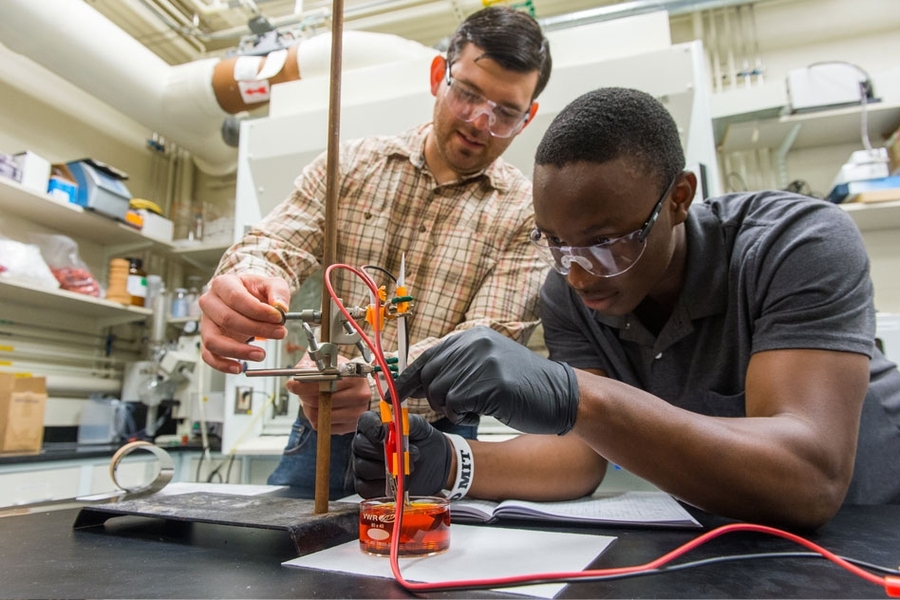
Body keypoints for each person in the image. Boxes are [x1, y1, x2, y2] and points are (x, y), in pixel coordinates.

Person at [351, 87, 900, 529]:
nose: (578, 272)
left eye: (607, 242)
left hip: (869, 524)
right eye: (555, 243)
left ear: (679, 198)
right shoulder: (569, 291)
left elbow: (808, 477)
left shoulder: (797, 244)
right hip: (737, 533)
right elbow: (578, 458)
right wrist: (448, 462)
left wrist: (574, 394)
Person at [199, 6, 552, 499]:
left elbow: (488, 340)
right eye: (468, 94)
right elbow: (274, 243)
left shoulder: (527, 214)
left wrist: (380, 382)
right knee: (278, 562)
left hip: (437, 444)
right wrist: (247, 280)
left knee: (429, 567)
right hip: (322, 427)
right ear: (439, 76)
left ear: (528, 116)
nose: (478, 121)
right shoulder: (353, 164)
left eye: (505, 112)